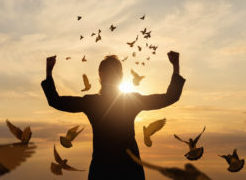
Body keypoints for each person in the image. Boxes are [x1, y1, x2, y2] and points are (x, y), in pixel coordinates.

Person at [41, 51, 185, 180]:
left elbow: (55, 101)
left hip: (102, 170)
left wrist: (49, 71)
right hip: (130, 170)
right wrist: (175, 66)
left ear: (100, 77)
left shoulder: (92, 103)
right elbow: (170, 97)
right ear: (121, 77)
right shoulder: (131, 101)